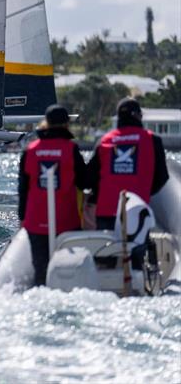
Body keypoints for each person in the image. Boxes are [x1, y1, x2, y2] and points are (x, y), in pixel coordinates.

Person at [18, 105, 87, 286]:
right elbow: (85, 182)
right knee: (70, 270)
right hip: (67, 222)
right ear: (66, 125)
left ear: (46, 124)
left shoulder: (29, 151)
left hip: (36, 223)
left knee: (40, 272)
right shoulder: (71, 150)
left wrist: (21, 219)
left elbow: (23, 189)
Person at [87, 98, 169, 230]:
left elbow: (89, 178)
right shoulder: (153, 140)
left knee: (108, 250)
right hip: (137, 211)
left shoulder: (104, 141)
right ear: (137, 116)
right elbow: (162, 177)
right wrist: (145, 190)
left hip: (107, 213)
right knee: (136, 250)